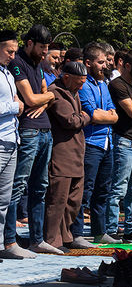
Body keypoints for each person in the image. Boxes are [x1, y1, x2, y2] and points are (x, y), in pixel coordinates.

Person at [4, 25, 59, 257]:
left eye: (47, 48)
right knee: (17, 187)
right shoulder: (18, 64)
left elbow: (46, 94)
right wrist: (47, 97)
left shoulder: (38, 64)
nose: (45, 53)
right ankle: (9, 241)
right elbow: (30, 97)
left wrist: (45, 100)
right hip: (28, 131)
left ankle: (37, 239)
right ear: (29, 44)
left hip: (45, 130)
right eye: (42, 47)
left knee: (40, 187)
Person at [74, 44, 119, 245]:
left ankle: (99, 231)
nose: (104, 66)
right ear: (88, 63)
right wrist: (104, 116)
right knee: (85, 190)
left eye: (106, 62)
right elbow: (92, 114)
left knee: (103, 190)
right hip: (91, 143)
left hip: (107, 143)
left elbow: (113, 113)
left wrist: (105, 116)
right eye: (101, 62)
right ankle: (76, 233)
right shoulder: (85, 86)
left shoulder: (103, 84)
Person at [44, 61, 90, 251]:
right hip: (61, 154)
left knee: (74, 200)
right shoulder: (55, 92)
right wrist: (87, 116)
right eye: (79, 82)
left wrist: (83, 116)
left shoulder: (74, 91)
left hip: (76, 153)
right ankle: (52, 239)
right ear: (66, 77)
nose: (81, 86)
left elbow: (78, 118)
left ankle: (65, 236)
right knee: (58, 199)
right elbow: (70, 120)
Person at [106, 50, 132, 242]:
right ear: (128, 66)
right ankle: (111, 228)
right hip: (124, 140)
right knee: (119, 187)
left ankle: (131, 227)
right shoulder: (117, 85)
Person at [0, 31, 24, 260]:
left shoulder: (7, 73)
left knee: (4, 198)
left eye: (15, 51)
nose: (13, 56)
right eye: (9, 51)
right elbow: (12, 105)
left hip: (11, 139)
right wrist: (13, 107)